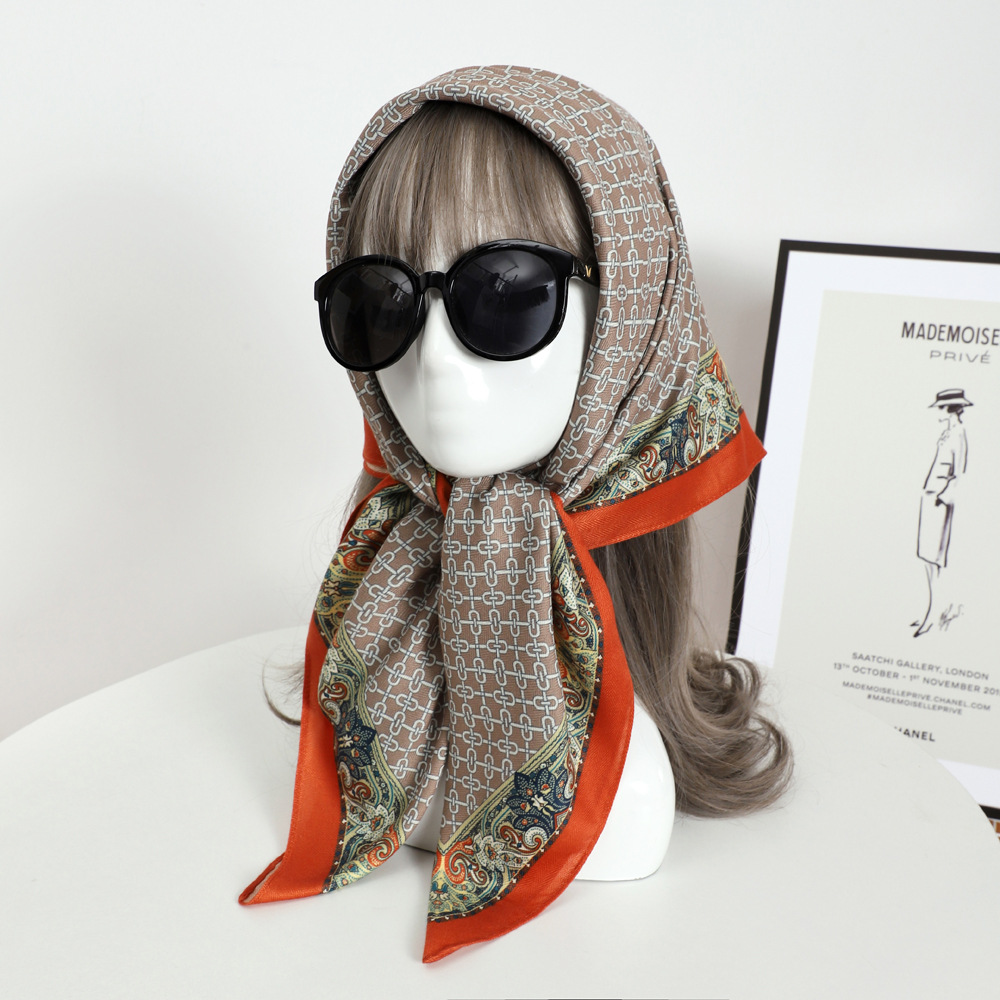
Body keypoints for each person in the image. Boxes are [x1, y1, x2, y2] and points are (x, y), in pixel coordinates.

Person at [243, 66, 791, 963]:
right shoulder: (366, 663)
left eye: (502, 295)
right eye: (381, 302)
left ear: (629, 318)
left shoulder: (631, 798)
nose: (432, 359)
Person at [914, 388, 972, 636]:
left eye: (940, 407)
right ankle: (929, 612)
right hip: (930, 497)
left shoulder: (958, 433)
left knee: (935, 559)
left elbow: (959, 473)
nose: (937, 412)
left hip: (940, 501)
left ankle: (933, 614)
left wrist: (942, 497)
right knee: (927, 558)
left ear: (949, 409)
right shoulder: (947, 432)